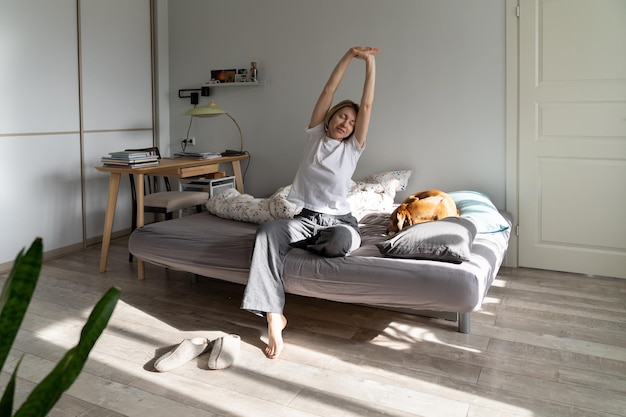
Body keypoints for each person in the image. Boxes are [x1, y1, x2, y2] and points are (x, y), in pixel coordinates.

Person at [241, 46, 379, 359]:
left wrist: (369, 63)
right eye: (343, 116)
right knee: (267, 233)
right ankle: (274, 316)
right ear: (332, 117)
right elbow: (329, 89)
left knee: (341, 240)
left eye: (352, 122)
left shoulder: (352, 150)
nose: (346, 123)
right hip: (305, 219)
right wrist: (347, 56)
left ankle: (305, 245)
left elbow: (368, 103)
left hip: (340, 222)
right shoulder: (315, 135)